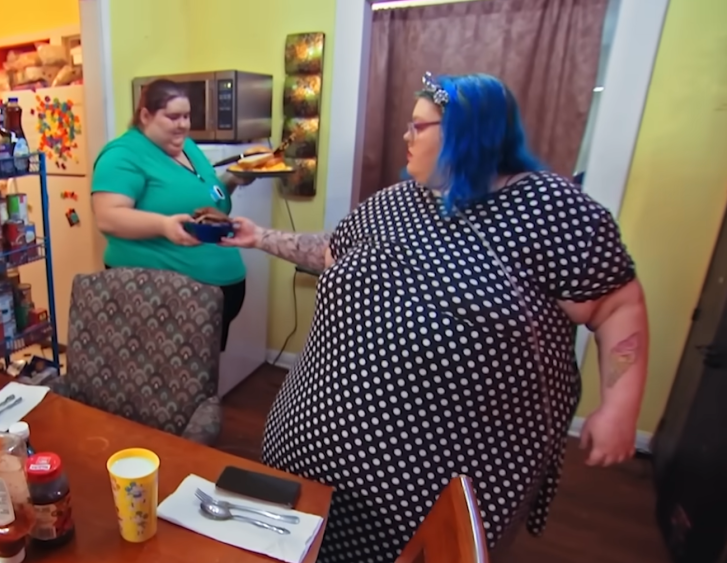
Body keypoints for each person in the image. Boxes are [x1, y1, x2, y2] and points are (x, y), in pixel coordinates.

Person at [222, 73, 648, 561]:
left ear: (469, 133)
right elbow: (330, 251)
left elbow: (617, 304)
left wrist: (620, 407)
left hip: (435, 478)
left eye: (418, 126)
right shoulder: (396, 201)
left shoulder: (552, 211)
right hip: (308, 446)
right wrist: (259, 236)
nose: (406, 136)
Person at [91, 79, 251, 350]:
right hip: (162, 297)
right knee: (166, 375)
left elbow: (211, 198)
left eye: (186, 116)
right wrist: (164, 225)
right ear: (145, 115)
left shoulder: (186, 146)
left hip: (214, 294)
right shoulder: (123, 155)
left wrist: (234, 178)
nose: (183, 124)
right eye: (173, 116)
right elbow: (108, 217)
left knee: (197, 376)